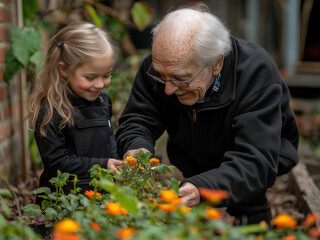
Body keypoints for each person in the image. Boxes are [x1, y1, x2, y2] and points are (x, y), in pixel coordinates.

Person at [116, 3, 299, 225]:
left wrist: (200, 189)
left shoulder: (256, 73)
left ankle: (252, 214)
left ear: (216, 63)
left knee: (247, 202)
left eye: (180, 79)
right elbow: (139, 117)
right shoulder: (162, 66)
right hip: (191, 152)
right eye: (162, 76)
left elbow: (255, 159)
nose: (168, 89)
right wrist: (137, 147)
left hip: (255, 157)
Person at [26, 22, 123, 196]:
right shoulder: (52, 110)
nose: (100, 84)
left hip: (101, 193)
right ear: (64, 70)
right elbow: (57, 162)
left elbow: (109, 138)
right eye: (90, 77)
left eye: (107, 75)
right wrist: (103, 164)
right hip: (64, 198)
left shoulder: (103, 101)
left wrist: (114, 161)